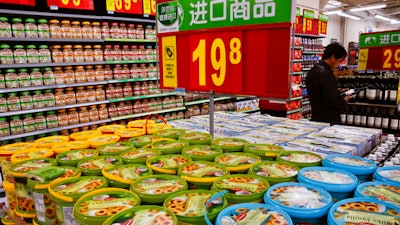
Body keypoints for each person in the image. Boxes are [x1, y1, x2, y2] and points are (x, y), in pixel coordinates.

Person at [306, 42, 352, 125]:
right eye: (340, 61)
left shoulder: (313, 70)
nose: (340, 64)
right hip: (328, 121)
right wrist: (344, 101)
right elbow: (332, 102)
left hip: (316, 118)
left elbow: (321, 93)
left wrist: (337, 92)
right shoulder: (327, 74)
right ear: (333, 57)